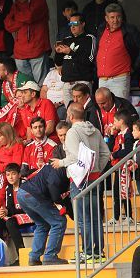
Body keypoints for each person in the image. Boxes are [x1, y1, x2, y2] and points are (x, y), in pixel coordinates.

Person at [52, 104, 111, 263]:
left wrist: (61, 162)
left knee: (82, 218)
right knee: (95, 216)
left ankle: (87, 252)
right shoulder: (96, 130)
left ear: (70, 116)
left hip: (78, 180)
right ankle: (98, 252)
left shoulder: (72, 132)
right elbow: (106, 153)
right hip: (94, 178)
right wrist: (96, 168)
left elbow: (75, 157)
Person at [96, 3, 140, 100]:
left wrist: (134, 67)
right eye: (112, 17)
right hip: (102, 79)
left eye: (118, 17)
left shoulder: (129, 30)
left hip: (120, 79)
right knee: (104, 111)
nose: (115, 20)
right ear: (106, 18)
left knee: (120, 110)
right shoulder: (101, 29)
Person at [3, 0, 51, 84]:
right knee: (26, 85)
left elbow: (29, 16)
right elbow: (8, 25)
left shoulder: (39, 0)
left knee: (41, 83)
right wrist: (23, 21)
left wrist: (18, 18)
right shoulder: (16, 4)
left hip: (37, 49)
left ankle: (42, 101)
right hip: (20, 52)